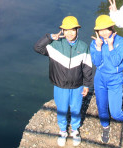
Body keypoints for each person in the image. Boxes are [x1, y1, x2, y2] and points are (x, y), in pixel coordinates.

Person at [33, 16, 93, 147]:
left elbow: (87, 67)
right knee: (62, 109)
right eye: (66, 30)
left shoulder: (83, 47)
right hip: (60, 86)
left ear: (77, 30)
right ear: (62, 31)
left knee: (76, 109)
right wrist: (49, 37)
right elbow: (37, 47)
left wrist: (87, 85)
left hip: (77, 86)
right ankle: (63, 131)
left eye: (73, 30)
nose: (69, 33)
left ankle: (75, 130)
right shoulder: (54, 45)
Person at [90, 15, 123, 144]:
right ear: (96, 31)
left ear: (112, 27)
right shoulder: (95, 42)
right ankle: (105, 127)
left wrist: (110, 46)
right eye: (100, 30)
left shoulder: (120, 41)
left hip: (115, 79)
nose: (103, 33)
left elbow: (115, 62)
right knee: (101, 107)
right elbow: (96, 62)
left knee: (116, 112)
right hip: (100, 78)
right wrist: (98, 48)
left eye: (106, 29)